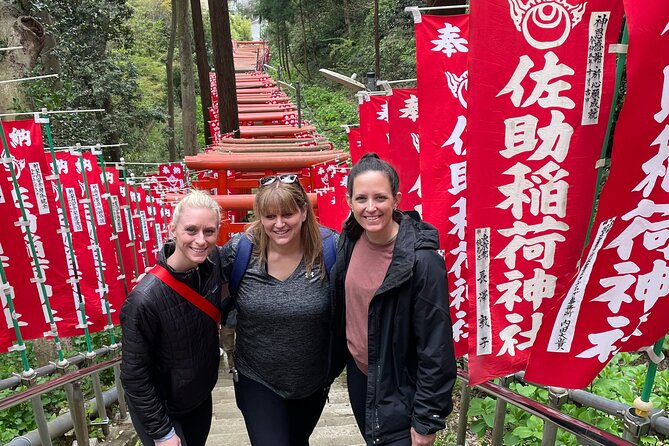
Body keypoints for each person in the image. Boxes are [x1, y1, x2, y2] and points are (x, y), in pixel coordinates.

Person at [328, 153, 457, 446]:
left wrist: (426, 420)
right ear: (349, 201)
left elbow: (436, 347)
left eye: (380, 198)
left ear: (397, 199)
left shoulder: (422, 261)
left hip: (401, 388)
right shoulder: (350, 239)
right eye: (361, 198)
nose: (370, 208)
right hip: (361, 377)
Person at [219, 173, 338, 446]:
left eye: (288, 214)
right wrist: (160, 273)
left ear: (304, 211)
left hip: (312, 378)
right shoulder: (240, 251)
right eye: (270, 216)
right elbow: (200, 270)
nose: (279, 224)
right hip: (256, 376)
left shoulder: (331, 249)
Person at [120, 190, 223, 446]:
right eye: (191, 230)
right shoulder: (145, 298)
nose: (200, 240)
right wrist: (162, 432)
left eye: (209, 231)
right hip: (162, 409)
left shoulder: (213, 266)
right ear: (173, 230)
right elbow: (134, 374)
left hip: (198, 400)